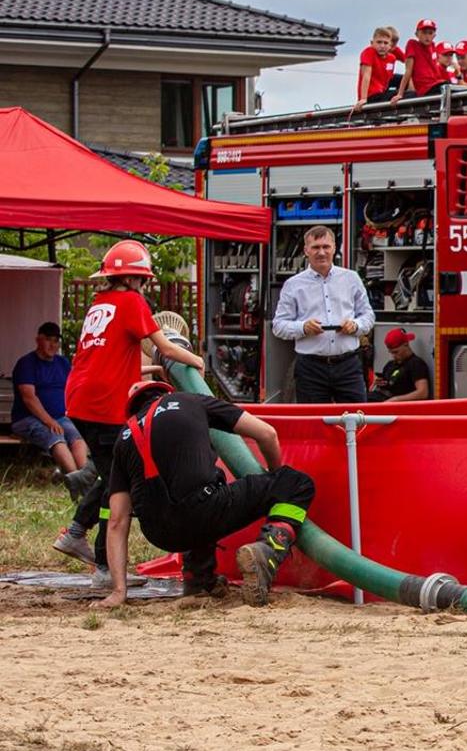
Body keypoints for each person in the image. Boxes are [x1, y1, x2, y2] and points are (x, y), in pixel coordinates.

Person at [94, 381, 316, 609]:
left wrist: (119, 591)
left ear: (133, 410)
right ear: (167, 392)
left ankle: (199, 578)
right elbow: (267, 434)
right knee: (298, 484)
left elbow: (116, 521)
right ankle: (268, 551)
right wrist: (276, 479)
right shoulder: (189, 400)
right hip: (205, 511)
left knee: (194, 494)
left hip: (160, 534)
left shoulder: (124, 437)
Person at [57, 241, 206, 573]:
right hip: (103, 404)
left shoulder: (100, 303)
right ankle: (97, 558)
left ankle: (83, 537)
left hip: (79, 398)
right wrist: (196, 360)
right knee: (117, 482)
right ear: (133, 278)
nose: (143, 285)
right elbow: (166, 346)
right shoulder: (131, 301)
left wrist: (154, 370)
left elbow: (111, 362)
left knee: (113, 473)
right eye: (142, 279)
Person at [271, 227, 374, 404]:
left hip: (348, 365)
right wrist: (303, 327)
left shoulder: (351, 279)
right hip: (311, 368)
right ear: (306, 250)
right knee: (315, 419)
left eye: (326, 247)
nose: (321, 252)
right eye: (315, 247)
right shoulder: (293, 285)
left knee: (356, 417)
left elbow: (368, 315)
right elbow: (278, 326)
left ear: (334, 247)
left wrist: (355, 325)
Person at [13, 321, 86, 475]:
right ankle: (75, 479)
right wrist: (49, 421)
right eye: (48, 340)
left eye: (56, 341)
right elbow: (29, 398)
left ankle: (86, 478)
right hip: (27, 419)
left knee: (77, 437)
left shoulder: (62, 363)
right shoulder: (26, 363)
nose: (52, 345)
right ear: (38, 340)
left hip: (60, 417)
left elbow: (74, 389)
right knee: (55, 436)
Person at [371, 329, 431, 402]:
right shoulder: (390, 364)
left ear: (406, 344)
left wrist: (394, 400)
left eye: (396, 352)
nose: (393, 356)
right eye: (391, 352)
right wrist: (377, 382)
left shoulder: (416, 364)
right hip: (377, 397)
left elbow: (423, 393)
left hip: (392, 402)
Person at [396, 19, 447, 101]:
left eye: (430, 33)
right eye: (424, 33)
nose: (427, 36)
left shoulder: (433, 46)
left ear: (434, 35)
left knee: (455, 88)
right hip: (425, 88)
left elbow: (435, 70)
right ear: (417, 34)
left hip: (436, 84)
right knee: (449, 88)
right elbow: (408, 71)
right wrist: (400, 94)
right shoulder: (412, 44)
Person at [355, 26, 401, 108]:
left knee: (407, 90)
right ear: (372, 43)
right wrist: (363, 99)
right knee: (405, 95)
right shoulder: (369, 52)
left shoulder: (392, 58)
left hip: (383, 92)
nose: (382, 46)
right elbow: (366, 75)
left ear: (390, 45)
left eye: (385, 43)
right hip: (371, 96)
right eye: (379, 42)